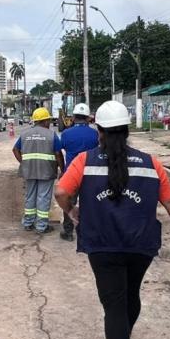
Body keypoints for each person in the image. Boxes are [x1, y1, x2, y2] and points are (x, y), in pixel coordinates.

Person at [54, 100, 170, 339]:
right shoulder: (151, 162)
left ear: (100, 131)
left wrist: (71, 211)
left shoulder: (84, 161)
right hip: (140, 244)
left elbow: (60, 191)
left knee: (114, 307)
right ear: (127, 130)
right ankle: (123, 335)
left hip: (102, 245)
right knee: (130, 295)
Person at [13, 107, 65, 234]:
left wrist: (24, 163)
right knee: (43, 197)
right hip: (46, 170)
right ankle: (41, 226)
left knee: (30, 196)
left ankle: (28, 223)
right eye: (48, 120)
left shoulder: (25, 134)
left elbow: (15, 149)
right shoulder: (51, 135)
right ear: (45, 121)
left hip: (29, 170)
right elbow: (58, 154)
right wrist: (62, 169)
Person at [58, 103, 99, 242]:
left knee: (69, 202)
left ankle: (68, 232)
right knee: (91, 202)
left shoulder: (66, 133)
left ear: (74, 117)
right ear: (88, 118)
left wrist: (62, 170)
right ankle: (89, 230)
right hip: (91, 172)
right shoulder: (95, 134)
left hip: (72, 173)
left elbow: (59, 150)